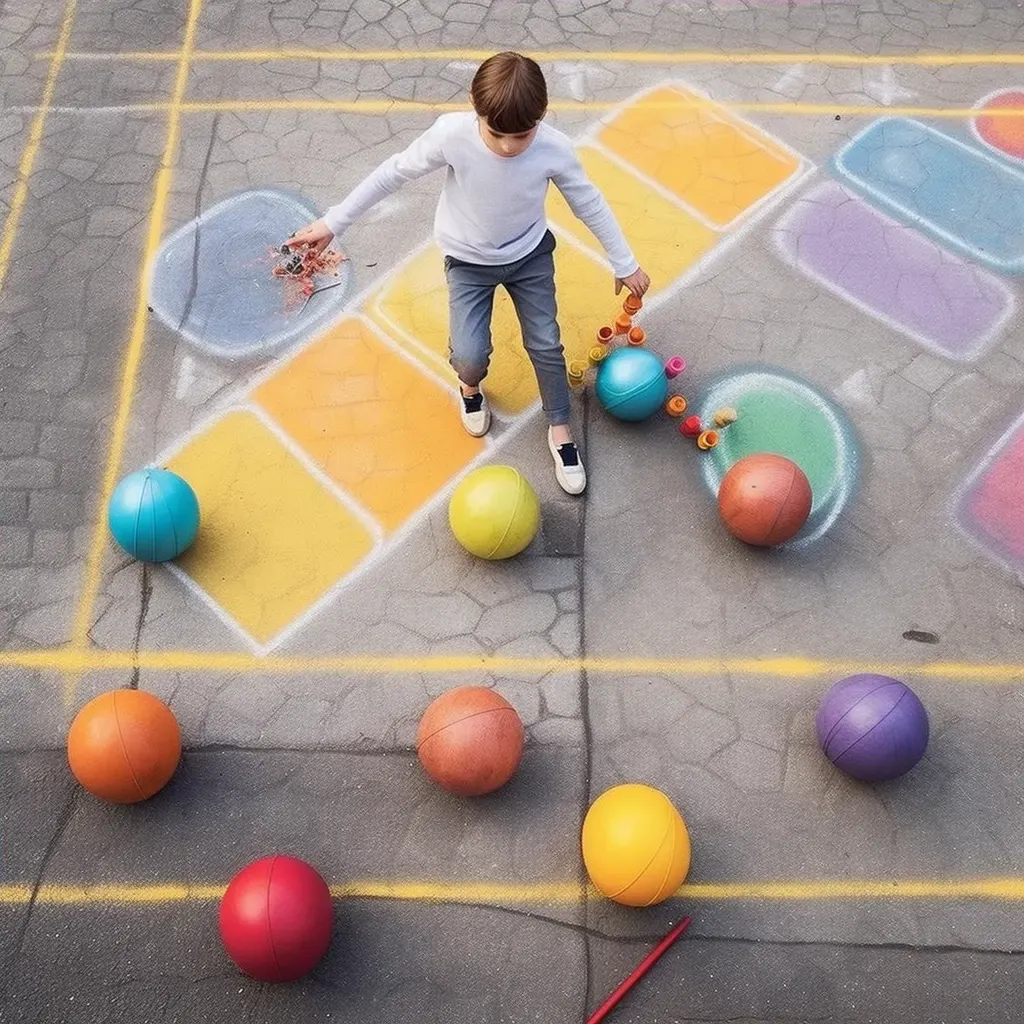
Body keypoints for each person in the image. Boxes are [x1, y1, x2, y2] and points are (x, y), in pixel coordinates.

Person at [286, 51, 650, 495]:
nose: (508, 147)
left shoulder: (554, 148)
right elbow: (392, 174)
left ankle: (560, 427)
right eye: (497, 134)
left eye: (522, 135)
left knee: (546, 345)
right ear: (476, 111)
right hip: (467, 262)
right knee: (470, 355)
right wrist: (331, 223)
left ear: (542, 116)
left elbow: (588, 202)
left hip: (529, 257)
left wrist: (624, 261)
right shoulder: (452, 134)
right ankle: (469, 386)